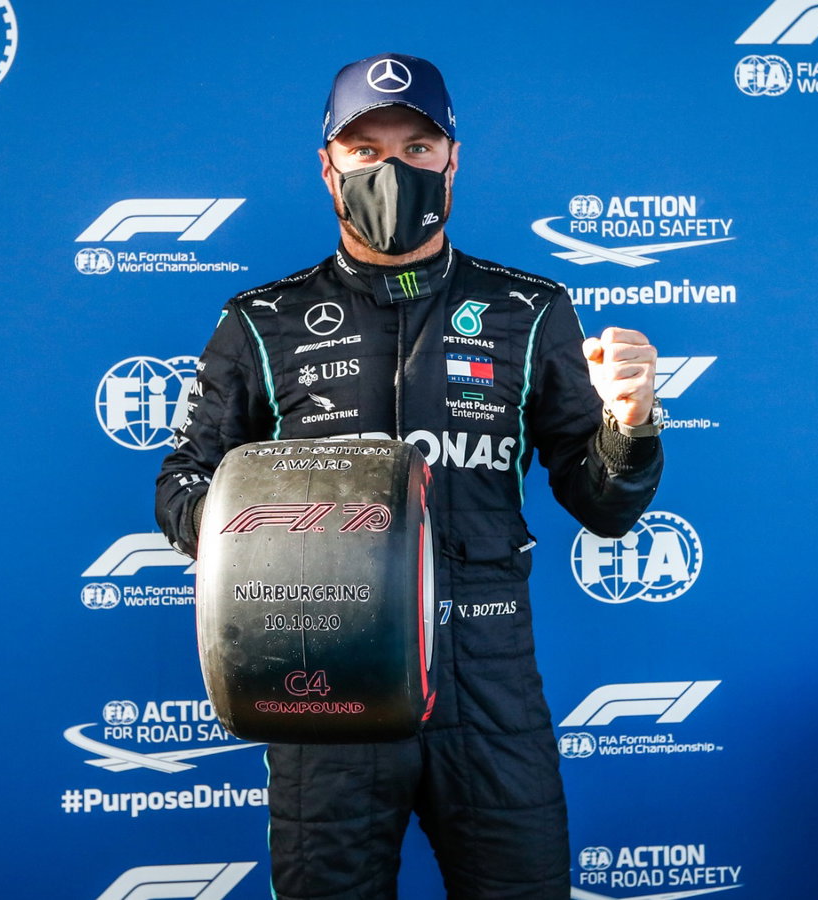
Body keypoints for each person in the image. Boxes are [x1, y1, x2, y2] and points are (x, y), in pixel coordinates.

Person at [154, 52, 664, 900]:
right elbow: (181, 485)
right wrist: (266, 541)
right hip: (323, 683)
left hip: (489, 683)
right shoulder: (261, 321)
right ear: (329, 167)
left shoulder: (529, 309)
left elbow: (604, 505)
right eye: (366, 150)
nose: (392, 170)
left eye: (416, 147)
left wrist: (631, 424)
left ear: (452, 160)